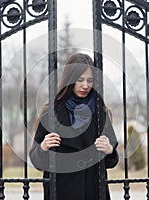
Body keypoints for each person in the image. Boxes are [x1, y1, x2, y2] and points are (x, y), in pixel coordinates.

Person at [29, 52, 119, 200]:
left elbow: (111, 161)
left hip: (93, 191)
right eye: (80, 80)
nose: (85, 85)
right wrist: (43, 147)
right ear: (70, 80)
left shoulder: (100, 111)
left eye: (90, 80)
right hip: (61, 191)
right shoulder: (51, 112)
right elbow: (36, 161)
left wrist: (110, 151)